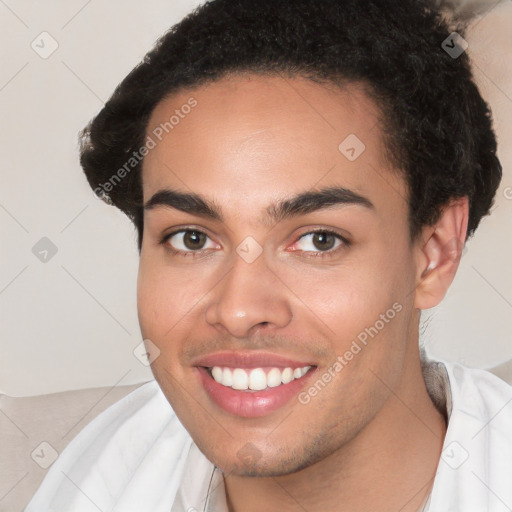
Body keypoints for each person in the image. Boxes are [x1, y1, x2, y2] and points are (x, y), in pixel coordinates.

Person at [26, 0, 512, 511]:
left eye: (319, 240)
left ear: (434, 253)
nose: (238, 311)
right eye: (192, 239)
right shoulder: (94, 478)